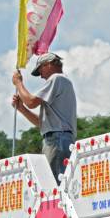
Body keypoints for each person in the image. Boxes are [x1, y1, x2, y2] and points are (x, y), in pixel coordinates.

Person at [11, 52, 77, 183]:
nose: (40, 75)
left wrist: (18, 83)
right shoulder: (63, 82)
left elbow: (31, 102)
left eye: (40, 69)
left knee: (53, 185)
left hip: (56, 140)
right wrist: (21, 108)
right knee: (56, 183)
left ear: (48, 64)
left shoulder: (57, 78)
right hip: (59, 138)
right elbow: (41, 123)